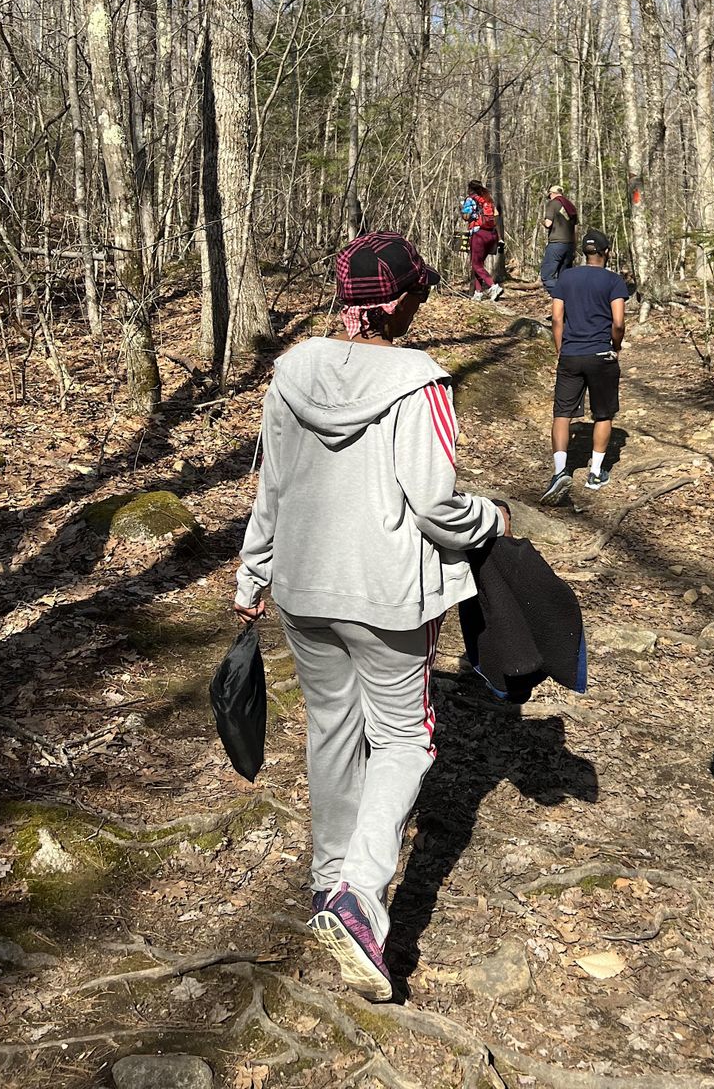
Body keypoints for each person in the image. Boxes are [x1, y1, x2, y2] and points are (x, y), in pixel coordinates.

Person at [232, 231, 510, 1001]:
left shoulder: (291, 374)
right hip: (388, 594)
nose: (423, 301)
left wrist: (253, 576)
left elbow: (273, 489)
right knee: (404, 740)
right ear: (401, 300)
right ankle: (357, 893)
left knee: (331, 728)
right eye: (419, 291)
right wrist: (494, 518)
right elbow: (436, 504)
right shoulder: (421, 381)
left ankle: (328, 886)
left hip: (303, 585)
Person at [540, 228, 629, 502]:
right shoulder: (614, 281)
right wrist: (614, 346)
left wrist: (560, 349)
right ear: (607, 253)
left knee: (562, 413)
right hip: (601, 354)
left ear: (584, 253)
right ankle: (596, 473)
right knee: (603, 414)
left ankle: (559, 471)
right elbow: (618, 322)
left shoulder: (566, 278)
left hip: (570, 354)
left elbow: (557, 318)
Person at [463, 180, 503, 302]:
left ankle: (493, 286)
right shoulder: (488, 200)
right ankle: (478, 293)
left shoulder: (470, 199)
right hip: (491, 234)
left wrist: (467, 214)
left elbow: (466, 216)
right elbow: (496, 216)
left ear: (470, 189)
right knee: (479, 264)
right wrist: (499, 237)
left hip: (478, 234)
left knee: (476, 264)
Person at [540, 183, 577, 294]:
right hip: (569, 245)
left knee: (547, 275)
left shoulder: (553, 204)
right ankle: (568, 299)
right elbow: (576, 228)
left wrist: (542, 221)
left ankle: (558, 298)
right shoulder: (571, 206)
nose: (549, 197)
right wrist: (574, 245)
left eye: (549, 195)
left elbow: (548, 223)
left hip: (556, 244)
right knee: (565, 276)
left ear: (553, 194)